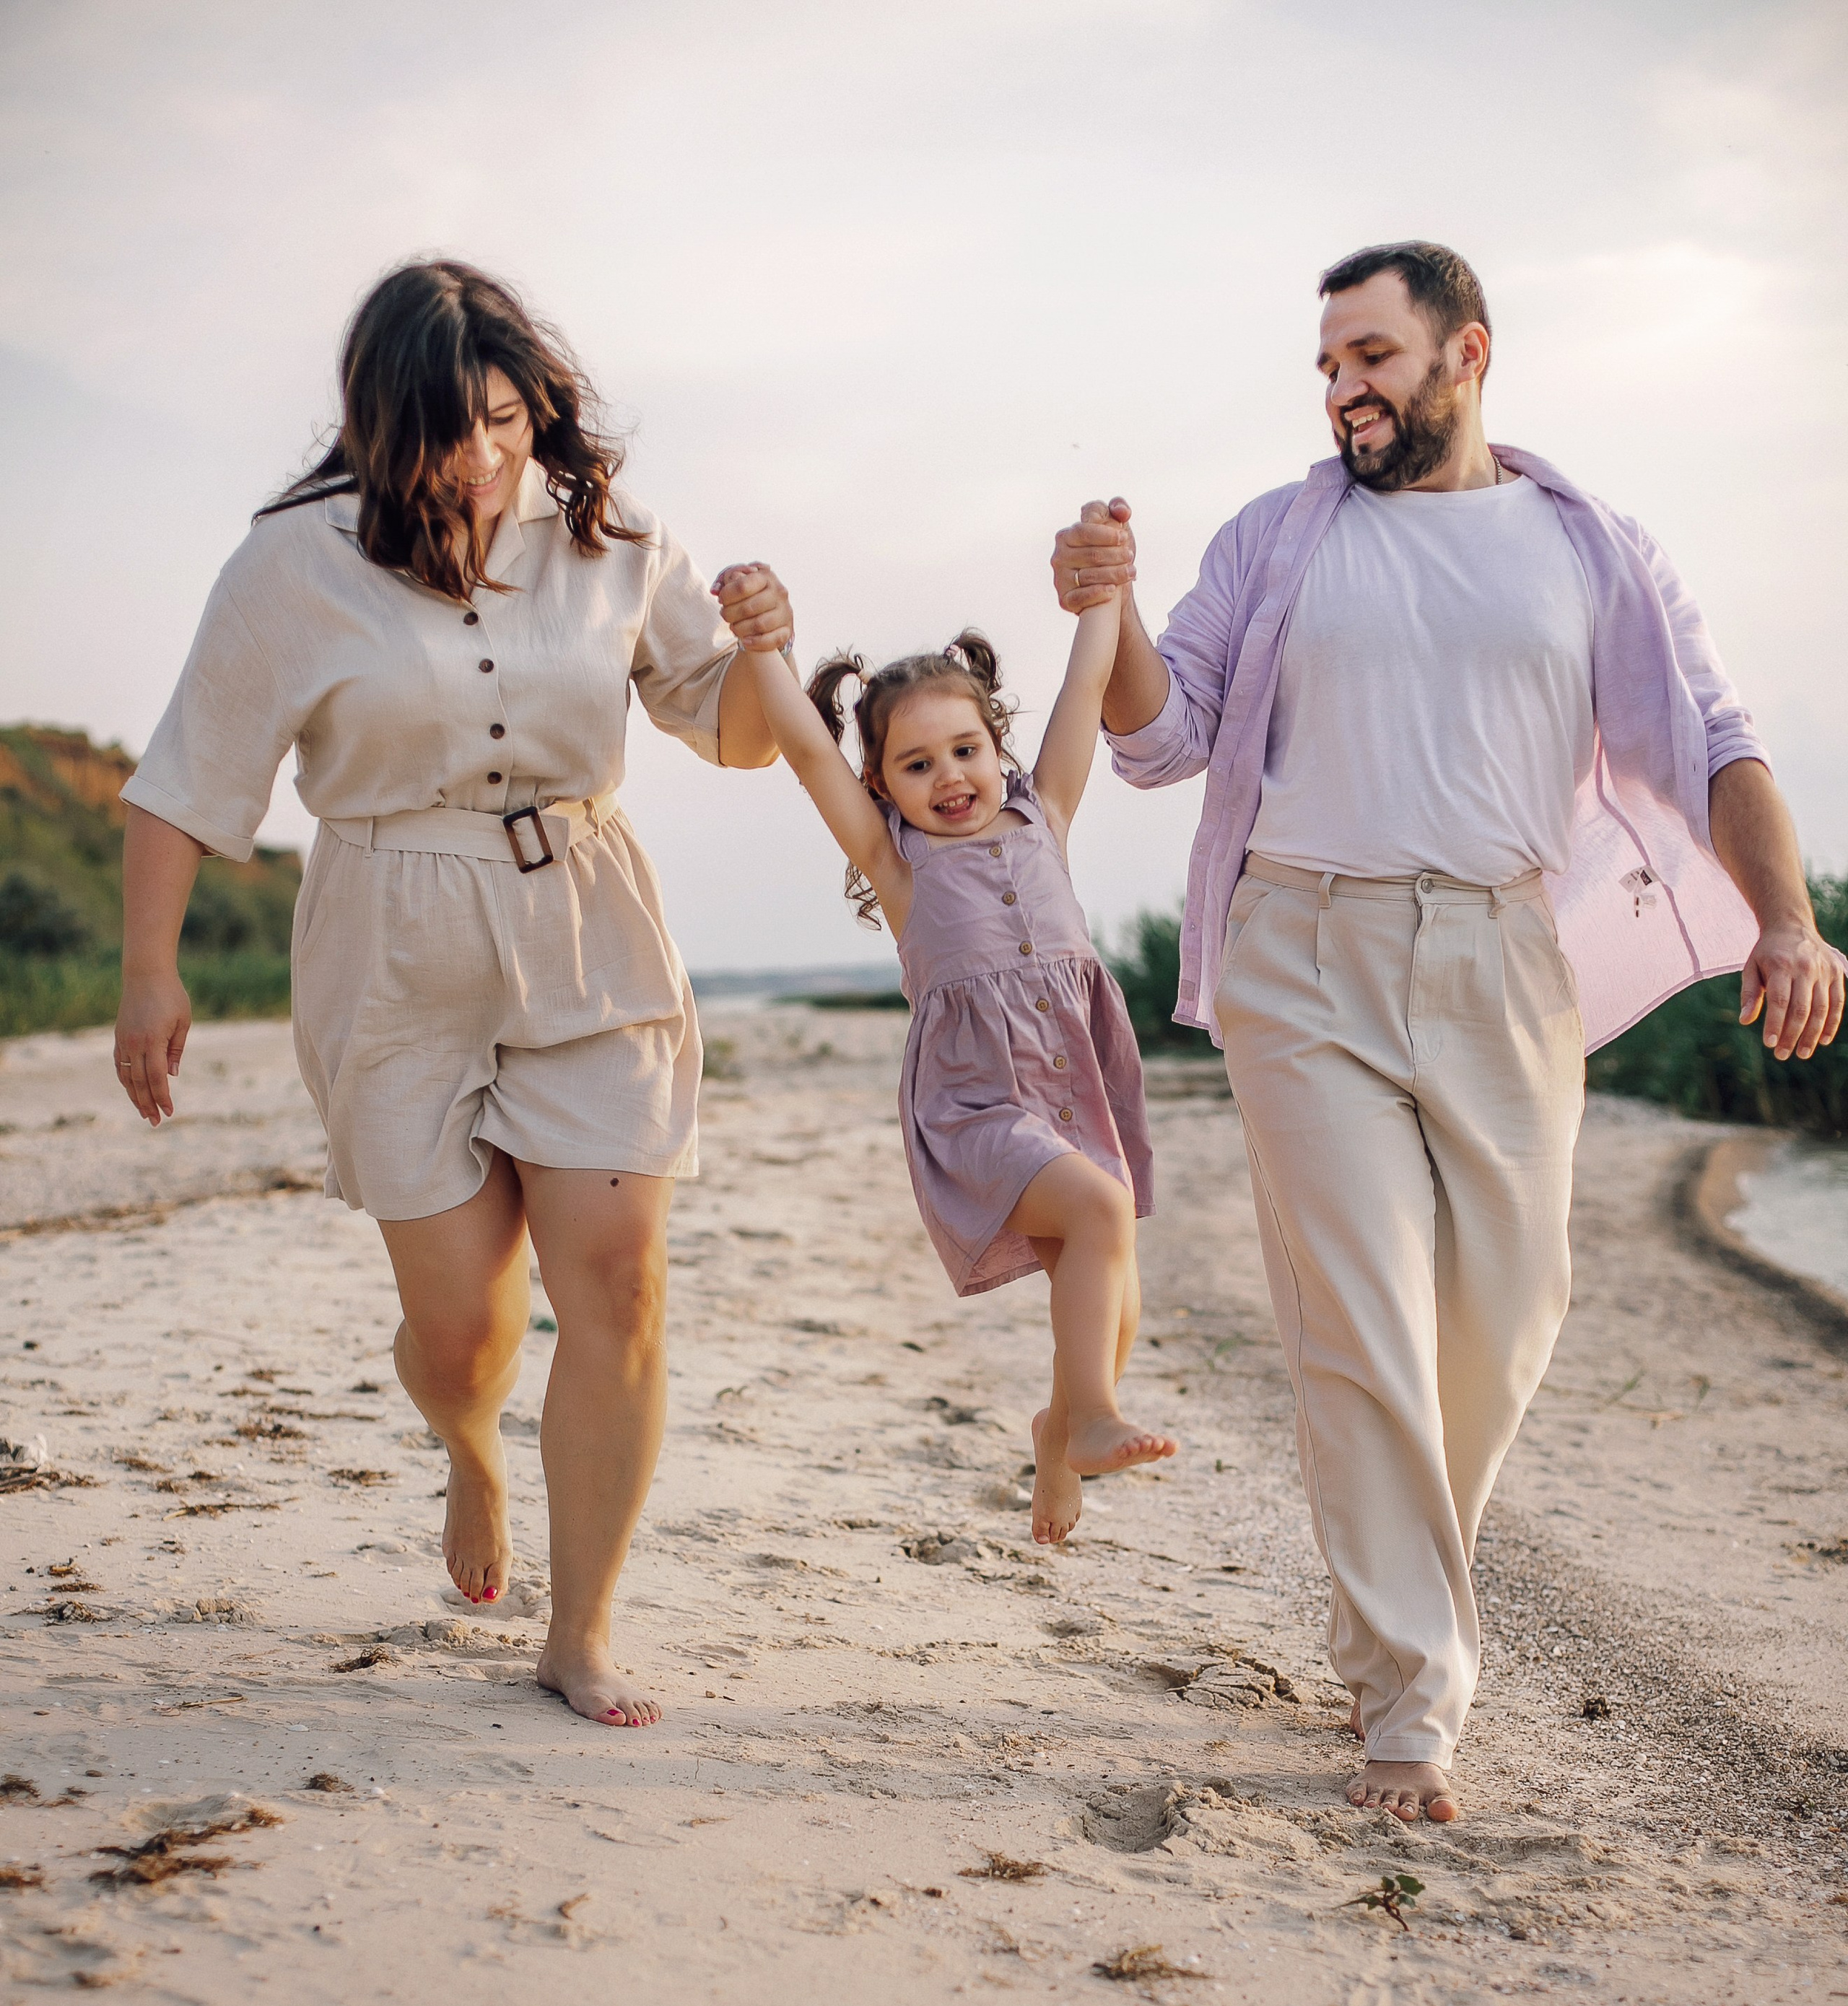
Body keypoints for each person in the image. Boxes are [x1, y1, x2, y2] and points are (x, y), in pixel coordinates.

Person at [1052, 239, 1845, 1823]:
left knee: (1503, 1317)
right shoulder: (1278, 539)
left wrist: (1785, 917)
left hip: (1499, 957)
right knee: (1358, 1322)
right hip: (1304, 949)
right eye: (1327, 365)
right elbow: (1165, 735)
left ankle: (1386, 1605)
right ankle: (1411, 1701)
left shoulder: (1590, 549)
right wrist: (1113, 611)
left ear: (1463, 353)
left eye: (1372, 357)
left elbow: (1714, 744)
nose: (1344, 387)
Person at [113, 261, 793, 1730]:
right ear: (373, 427)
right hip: (389, 941)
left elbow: (729, 732)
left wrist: (766, 655)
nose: (480, 461)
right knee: (463, 1336)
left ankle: (582, 1630)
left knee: (615, 1277)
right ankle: (471, 1444)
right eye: (442, 430)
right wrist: (148, 974)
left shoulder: (609, 534)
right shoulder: (290, 561)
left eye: (502, 420)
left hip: (586, 920)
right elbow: (185, 779)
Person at [710, 562, 1172, 1543]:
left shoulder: (1044, 813)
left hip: (1072, 1082)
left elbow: (1087, 690)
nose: (949, 777)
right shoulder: (897, 862)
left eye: (965, 750)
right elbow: (800, 746)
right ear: (880, 785)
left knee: (1107, 1273)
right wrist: (762, 648)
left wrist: (1106, 596)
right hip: (977, 1104)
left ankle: (1059, 1431)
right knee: (1098, 1211)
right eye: (916, 766)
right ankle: (1086, 1416)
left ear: (996, 746)